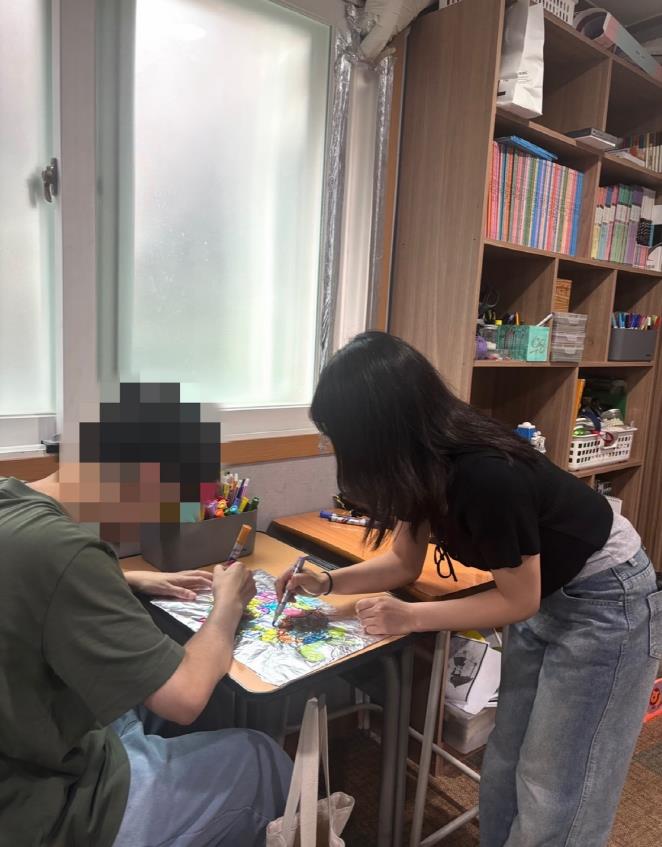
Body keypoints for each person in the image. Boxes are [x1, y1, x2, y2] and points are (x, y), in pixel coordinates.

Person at [277, 331, 662, 847]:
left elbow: (517, 599)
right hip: (549, 594)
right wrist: (325, 582)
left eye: (339, 438)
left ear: (378, 433)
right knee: (506, 762)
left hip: (608, 598)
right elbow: (401, 564)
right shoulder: (419, 466)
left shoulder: (484, 474)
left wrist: (409, 617)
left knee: (558, 784)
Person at [0, 383, 291, 847]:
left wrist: (123, 578)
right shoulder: (65, 553)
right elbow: (184, 697)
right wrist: (227, 605)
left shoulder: (14, 503)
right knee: (260, 757)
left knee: (136, 706)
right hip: (40, 811)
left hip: (22, 745)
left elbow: (32, 580)